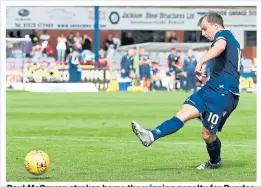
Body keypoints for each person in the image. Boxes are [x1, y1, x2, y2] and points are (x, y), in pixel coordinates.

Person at [131, 12, 241, 170]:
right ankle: (151, 136)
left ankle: (215, 162)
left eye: (205, 29)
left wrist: (201, 61)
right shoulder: (227, 39)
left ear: (216, 25)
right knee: (183, 113)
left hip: (225, 92)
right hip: (211, 87)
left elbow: (220, 46)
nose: (203, 33)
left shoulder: (223, 34)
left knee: (207, 134)